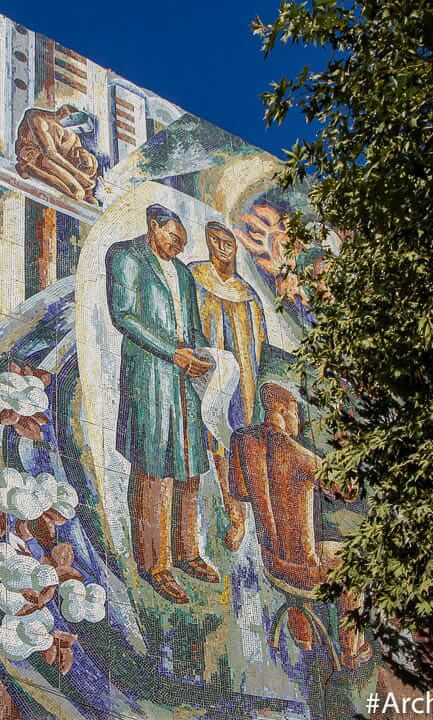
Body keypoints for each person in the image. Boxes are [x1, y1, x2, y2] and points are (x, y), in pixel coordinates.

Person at [106, 204, 219, 604]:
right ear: (153, 226)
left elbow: (193, 325)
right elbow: (124, 316)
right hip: (150, 378)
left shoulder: (184, 274)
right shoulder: (126, 256)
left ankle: (188, 553)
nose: (176, 247)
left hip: (185, 379)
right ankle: (155, 564)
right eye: (172, 239)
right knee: (153, 470)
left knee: (189, 466)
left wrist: (203, 356)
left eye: (181, 243)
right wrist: (173, 352)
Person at [228, 382, 370, 668]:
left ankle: (303, 636)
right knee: (355, 564)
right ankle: (351, 652)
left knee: (295, 548)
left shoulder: (241, 441)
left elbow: (239, 490)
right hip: (305, 572)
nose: (299, 423)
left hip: (271, 563)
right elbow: (349, 491)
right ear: (284, 409)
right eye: (297, 414)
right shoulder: (302, 457)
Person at [188, 221, 267, 551]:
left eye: (227, 242)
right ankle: (188, 531)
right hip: (201, 370)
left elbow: (259, 339)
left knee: (228, 443)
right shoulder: (194, 277)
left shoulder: (247, 295)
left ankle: (238, 516)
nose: (221, 247)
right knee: (195, 440)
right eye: (214, 241)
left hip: (240, 379)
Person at [14, 105, 99, 203]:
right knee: (77, 192)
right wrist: (77, 174)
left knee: (90, 164)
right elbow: (50, 152)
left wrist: (88, 169)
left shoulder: (71, 134)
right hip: (36, 157)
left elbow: (75, 152)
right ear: (63, 111)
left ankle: (87, 192)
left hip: (55, 161)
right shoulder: (36, 117)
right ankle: (28, 169)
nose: (73, 125)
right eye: (71, 118)